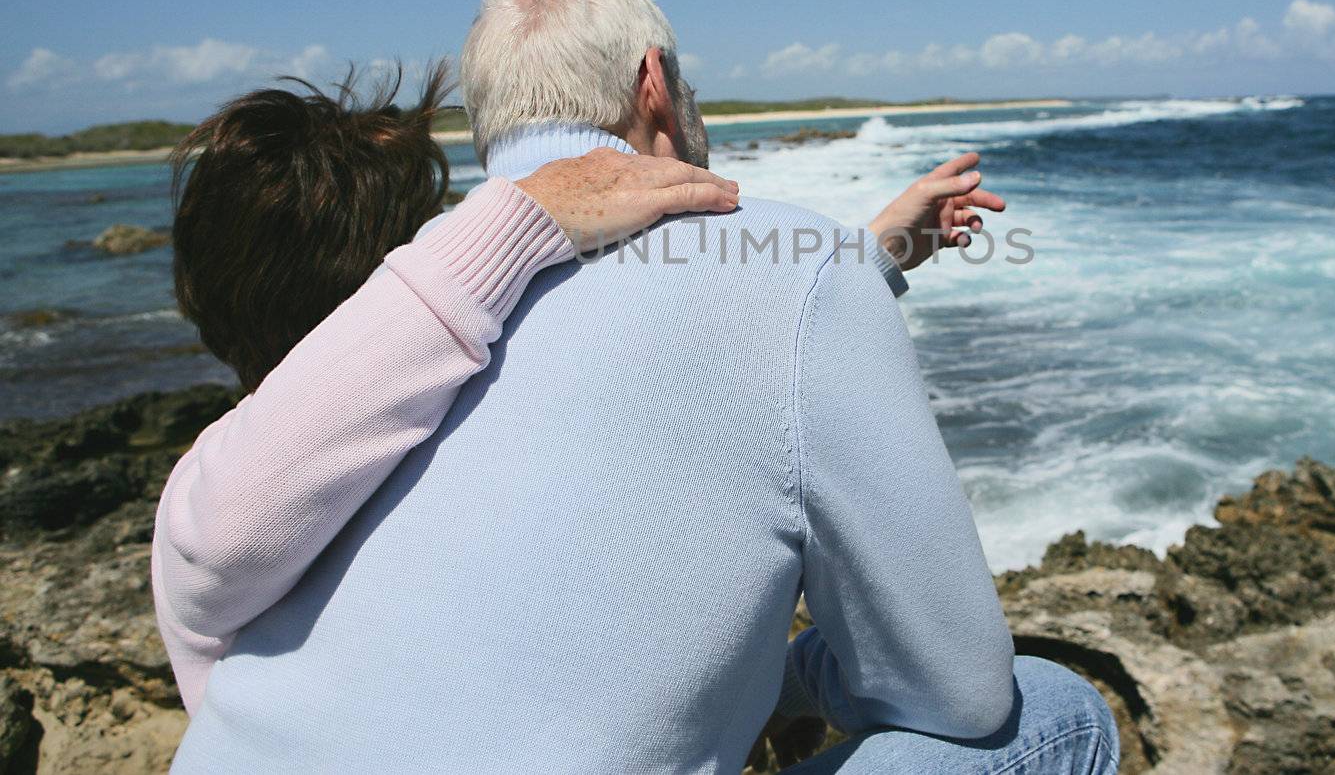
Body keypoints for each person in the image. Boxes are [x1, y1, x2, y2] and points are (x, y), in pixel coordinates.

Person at [169, 0, 1118, 773]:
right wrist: (809, 670)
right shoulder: (791, 257)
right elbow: (955, 688)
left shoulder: (410, 296)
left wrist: (858, 265)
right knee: (1051, 713)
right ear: (653, 82)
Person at [154, 59, 995, 715]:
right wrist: (513, 221)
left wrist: (863, 263)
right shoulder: (226, 494)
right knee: (1053, 717)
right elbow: (233, 523)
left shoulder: (377, 430)